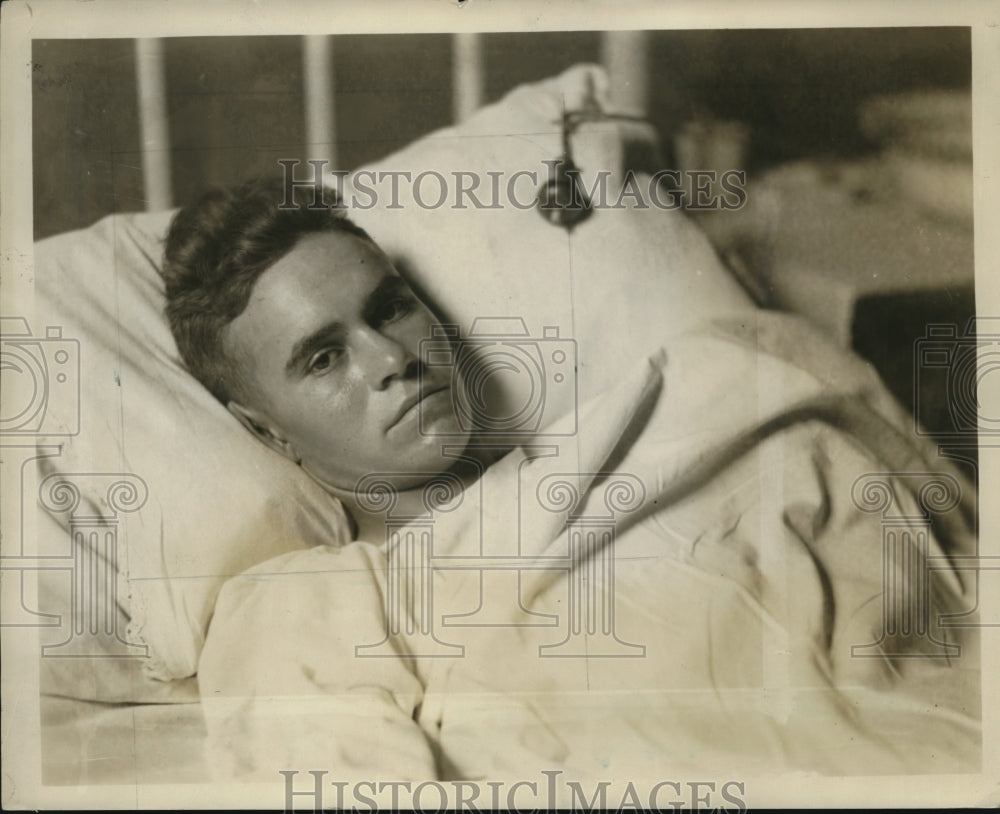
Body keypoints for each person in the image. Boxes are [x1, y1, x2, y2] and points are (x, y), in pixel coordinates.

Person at [163, 176, 483, 539]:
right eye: (324, 359)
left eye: (391, 310)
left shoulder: (559, 456)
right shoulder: (327, 592)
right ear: (267, 430)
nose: (394, 359)